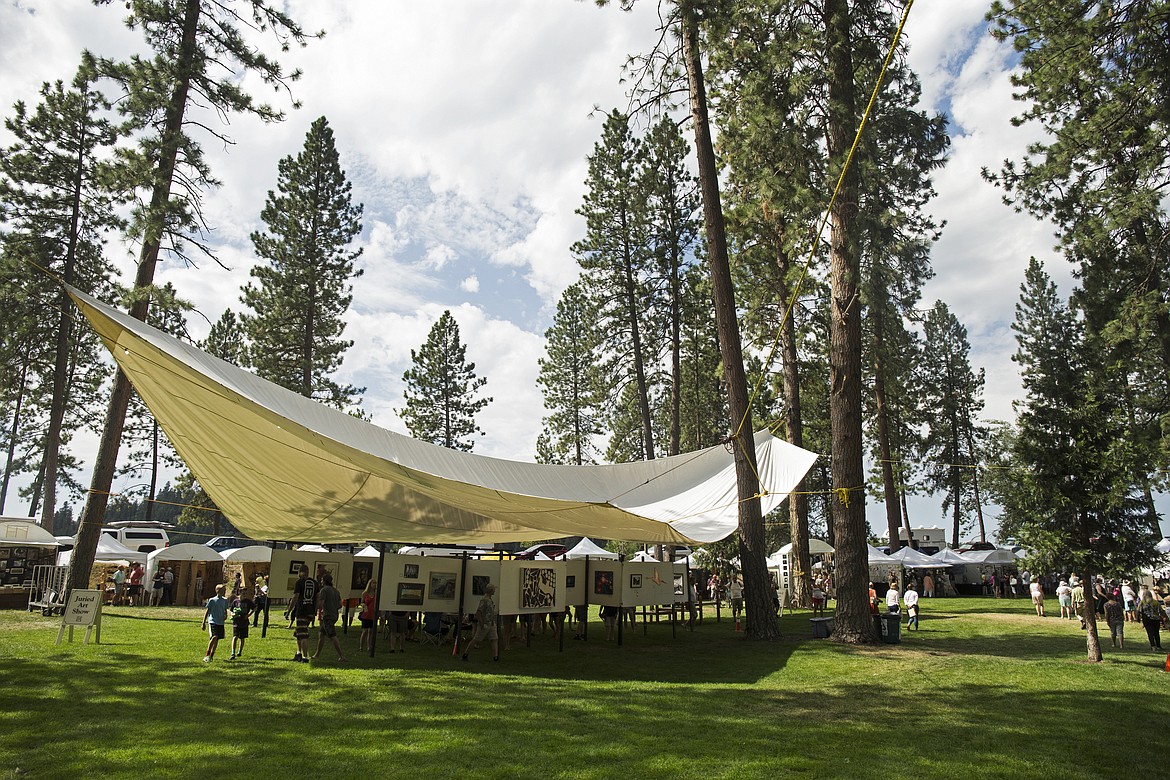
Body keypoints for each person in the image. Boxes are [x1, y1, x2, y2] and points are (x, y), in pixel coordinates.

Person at [311, 573, 347, 662]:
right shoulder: (336, 591)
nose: (321, 581)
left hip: (327, 616)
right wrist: (333, 607)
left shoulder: (324, 590)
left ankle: (342, 656)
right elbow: (339, 605)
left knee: (332, 635)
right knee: (321, 635)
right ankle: (317, 654)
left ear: (325, 581)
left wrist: (314, 609)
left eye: (322, 580)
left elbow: (321, 603)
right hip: (334, 615)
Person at [462, 583, 500, 661]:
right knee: (476, 639)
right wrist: (482, 624)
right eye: (494, 589)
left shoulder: (490, 600)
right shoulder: (484, 600)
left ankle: (495, 657)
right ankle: (465, 654)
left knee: (494, 639)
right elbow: (478, 613)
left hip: (491, 623)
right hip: (485, 624)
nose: (495, 591)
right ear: (491, 590)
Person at [291, 565, 316, 663]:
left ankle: (305, 657)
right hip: (310, 611)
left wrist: (289, 610)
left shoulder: (299, 582)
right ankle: (298, 653)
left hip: (302, 611)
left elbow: (296, 596)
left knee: (303, 635)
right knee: (299, 633)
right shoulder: (314, 583)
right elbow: (317, 597)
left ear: (301, 572)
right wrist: (314, 610)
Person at [201, 584, 230, 662]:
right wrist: (203, 622)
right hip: (213, 621)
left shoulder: (225, 600)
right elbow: (207, 611)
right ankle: (206, 655)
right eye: (223, 590)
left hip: (220, 622)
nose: (224, 592)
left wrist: (225, 615)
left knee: (217, 639)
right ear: (218, 591)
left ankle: (211, 655)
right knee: (214, 637)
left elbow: (225, 610)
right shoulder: (212, 600)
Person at [229, 588, 254, 660]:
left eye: (246, 593)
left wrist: (249, 615)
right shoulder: (235, 601)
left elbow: (255, 607)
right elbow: (231, 610)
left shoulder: (248, 602)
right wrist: (233, 614)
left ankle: (239, 652)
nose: (245, 595)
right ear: (240, 593)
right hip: (236, 622)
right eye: (243, 593)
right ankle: (233, 653)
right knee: (235, 637)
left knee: (242, 637)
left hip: (244, 622)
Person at [358, 579, 378, 652]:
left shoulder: (377, 594)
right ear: (370, 584)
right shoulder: (365, 593)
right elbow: (361, 602)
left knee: (371, 631)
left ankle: (369, 647)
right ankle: (361, 646)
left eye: (375, 583)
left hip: (373, 614)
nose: (375, 585)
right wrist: (364, 605)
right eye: (373, 583)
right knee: (365, 631)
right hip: (366, 614)